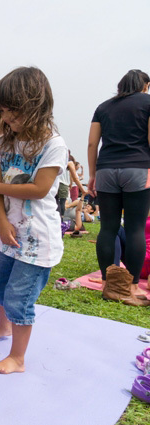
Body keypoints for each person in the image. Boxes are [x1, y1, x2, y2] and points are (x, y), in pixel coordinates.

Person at [0, 67, 68, 374]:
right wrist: (0, 222)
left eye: (12, 112)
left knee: (19, 298)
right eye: (3, 112)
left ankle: (17, 358)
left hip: (37, 241)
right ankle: (2, 328)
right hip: (9, 233)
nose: (7, 118)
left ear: (34, 106)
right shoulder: (5, 141)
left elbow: (40, 189)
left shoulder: (54, 144)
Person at [87, 69, 150, 302]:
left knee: (108, 228)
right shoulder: (148, 102)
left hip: (105, 169)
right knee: (135, 228)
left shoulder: (103, 107)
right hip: (139, 168)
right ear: (145, 85)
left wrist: (92, 175)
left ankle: (107, 284)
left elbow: (93, 143)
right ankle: (131, 288)